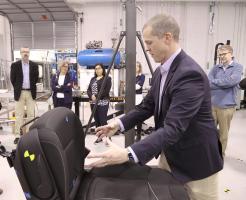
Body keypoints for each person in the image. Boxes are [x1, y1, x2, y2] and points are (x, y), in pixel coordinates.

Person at [88, 14, 223, 200]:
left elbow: (174, 128)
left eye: (150, 43)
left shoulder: (189, 74)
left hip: (196, 162)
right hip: (170, 154)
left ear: (167, 37)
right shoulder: (161, 71)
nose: (147, 48)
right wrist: (118, 124)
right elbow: (147, 107)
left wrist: (128, 153)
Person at [208, 45, 243, 157]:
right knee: (209, 131)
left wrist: (215, 82)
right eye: (220, 55)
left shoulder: (237, 67)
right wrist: (223, 83)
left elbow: (232, 81)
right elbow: (208, 83)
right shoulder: (215, 68)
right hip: (212, 105)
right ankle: (209, 152)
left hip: (227, 107)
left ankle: (220, 154)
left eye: (224, 54)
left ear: (231, 54)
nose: (221, 57)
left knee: (223, 133)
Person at [10, 47, 39, 144]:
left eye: (27, 52)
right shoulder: (15, 65)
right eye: (23, 52)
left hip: (31, 93)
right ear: (20, 53)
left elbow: (35, 79)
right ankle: (18, 135)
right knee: (19, 115)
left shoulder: (34, 65)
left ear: (29, 53)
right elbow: (12, 79)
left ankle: (29, 135)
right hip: (20, 93)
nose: (25, 53)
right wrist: (18, 88)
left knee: (31, 114)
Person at [87, 63, 112, 143]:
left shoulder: (107, 78)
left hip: (103, 102)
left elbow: (106, 91)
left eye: (99, 68)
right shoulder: (93, 79)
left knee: (103, 120)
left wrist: (96, 96)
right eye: (96, 68)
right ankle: (100, 137)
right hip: (93, 102)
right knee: (97, 120)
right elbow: (88, 90)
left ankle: (108, 138)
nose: (97, 70)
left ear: (103, 69)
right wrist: (91, 96)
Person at [135, 61, 145, 142]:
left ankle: (138, 134)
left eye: (137, 66)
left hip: (138, 98)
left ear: (139, 67)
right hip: (130, 98)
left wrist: (130, 85)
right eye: (135, 66)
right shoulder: (131, 76)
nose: (136, 67)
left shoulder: (142, 76)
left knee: (138, 117)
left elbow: (138, 86)